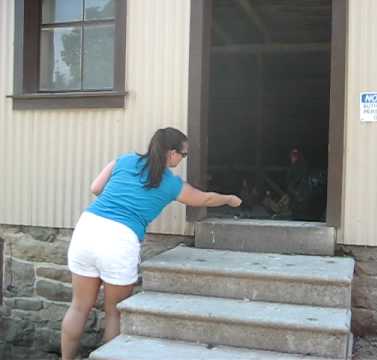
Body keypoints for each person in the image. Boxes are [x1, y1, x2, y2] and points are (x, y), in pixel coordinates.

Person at [61, 127, 242, 360]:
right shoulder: (170, 184)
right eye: (183, 155)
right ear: (171, 153)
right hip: (119, 240)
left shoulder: (124, 160)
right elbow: (205, 198)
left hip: (87, 228)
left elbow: (95, 188)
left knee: (78, 307)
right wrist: (230, 199)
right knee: (115, 314)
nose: (183, 159)